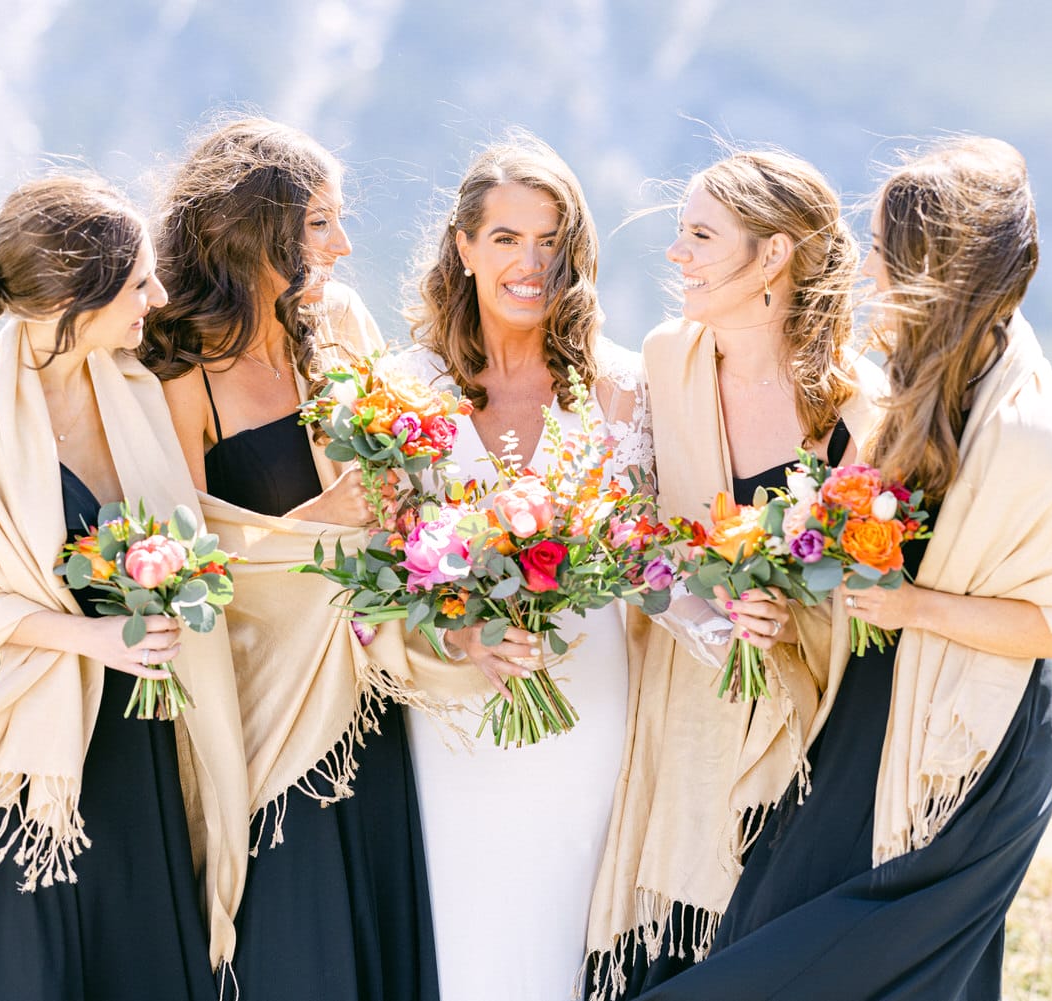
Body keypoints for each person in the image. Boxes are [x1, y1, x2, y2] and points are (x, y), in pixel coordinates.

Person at [630, 137, 1052, 999]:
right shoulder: (898, 387)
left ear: (939, 263)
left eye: (889, 250)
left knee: (820, 957)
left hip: (970, 744)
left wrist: (917, 608)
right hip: (873, 700)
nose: (870, 267)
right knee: (783, 924)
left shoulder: (1027, 428)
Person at [0, 174, 249, 1001]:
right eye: (138, 281)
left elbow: (186, 526)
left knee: (131, 956)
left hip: (124, 725)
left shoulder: (135, 388)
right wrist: (89, 638)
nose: (156, 296)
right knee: (10, 966)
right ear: (73, 299)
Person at [140, 116, 438, 1001]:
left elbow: (401, 469)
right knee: (294, 934)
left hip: (369, 684)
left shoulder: (337, 319)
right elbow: (186, 556)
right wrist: (322, 518)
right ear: (248, 229)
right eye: (318, 224)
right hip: (264, 699)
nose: (344, 246)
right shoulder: (177, 365)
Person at [583, 149, 884, 999]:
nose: (677, 252)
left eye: (701, 234)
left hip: (803, 724)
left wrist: (794, 619)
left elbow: (868, 589)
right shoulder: (668, 360)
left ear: (774, 253)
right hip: (680, 712)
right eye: (681, 231)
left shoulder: (854, 403)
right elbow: (640, 524)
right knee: (664, 953)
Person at [395, 131, 652, 1001]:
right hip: (457, 707)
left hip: (586, 690)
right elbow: (385, 557)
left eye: (551, 241)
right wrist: (463, 632)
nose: (529, 262)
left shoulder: (623, 387)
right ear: (464, 248)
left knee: (572, 913)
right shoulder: (406, 389)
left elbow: (655, 547)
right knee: (468, 918)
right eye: (506, 238)